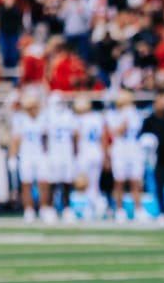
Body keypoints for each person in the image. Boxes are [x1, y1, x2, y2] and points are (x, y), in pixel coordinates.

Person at [105, 89, 146, 222]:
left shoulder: (135, 114)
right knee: (119, 181)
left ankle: (138, 209)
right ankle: (119, 209)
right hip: (120, 150)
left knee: (136, 181)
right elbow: (117, 132)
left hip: (133, 149)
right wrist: (124, 119)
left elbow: (137, 131)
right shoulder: (113, 115)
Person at [10, 94, 49, 222]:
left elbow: (46, 138)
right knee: (26, 184)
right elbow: (16, 140)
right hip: (26, 154)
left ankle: (44, 209)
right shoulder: (20, 119)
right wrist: (13, 156)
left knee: (43, 182)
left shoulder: (43, 118)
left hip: (40, 154)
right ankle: (29, 210)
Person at [72, 95, 107, 220]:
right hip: (97, 152)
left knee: (84, 183)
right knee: (94, 183)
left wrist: (75, 153)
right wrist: (105, 154)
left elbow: (76, 138)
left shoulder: (79, 119)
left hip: (84, 152)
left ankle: (94, 206)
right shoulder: (98, 118)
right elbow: (103, 137)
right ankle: (95, 206)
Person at [45, 93, 77, 223]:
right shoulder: (47, 116)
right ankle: (50, 209)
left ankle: (67, 209)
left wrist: (75, 152)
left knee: (67, 182)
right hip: (54, 153)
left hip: (66, 153)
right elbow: (44, 136)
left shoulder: (68, 115)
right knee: (52, 183)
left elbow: (74, 135)